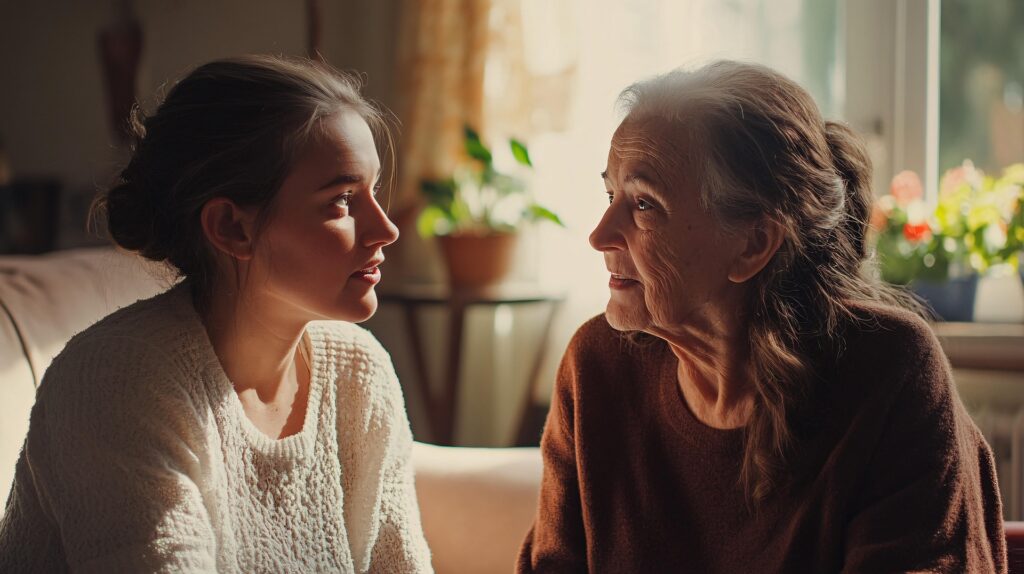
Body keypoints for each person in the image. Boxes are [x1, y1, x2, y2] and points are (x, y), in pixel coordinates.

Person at [518, 61, 1006, 573]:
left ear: (752, 244)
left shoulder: (888, 373)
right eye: (610, 195)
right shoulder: (595, 367)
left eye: (643, 204)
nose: (599, 235)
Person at [0, 55, 432, 573]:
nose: (386, 230)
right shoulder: (118, 380)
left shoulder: (360, 371)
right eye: (342, 200)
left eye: (374, 191)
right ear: (232, 228)